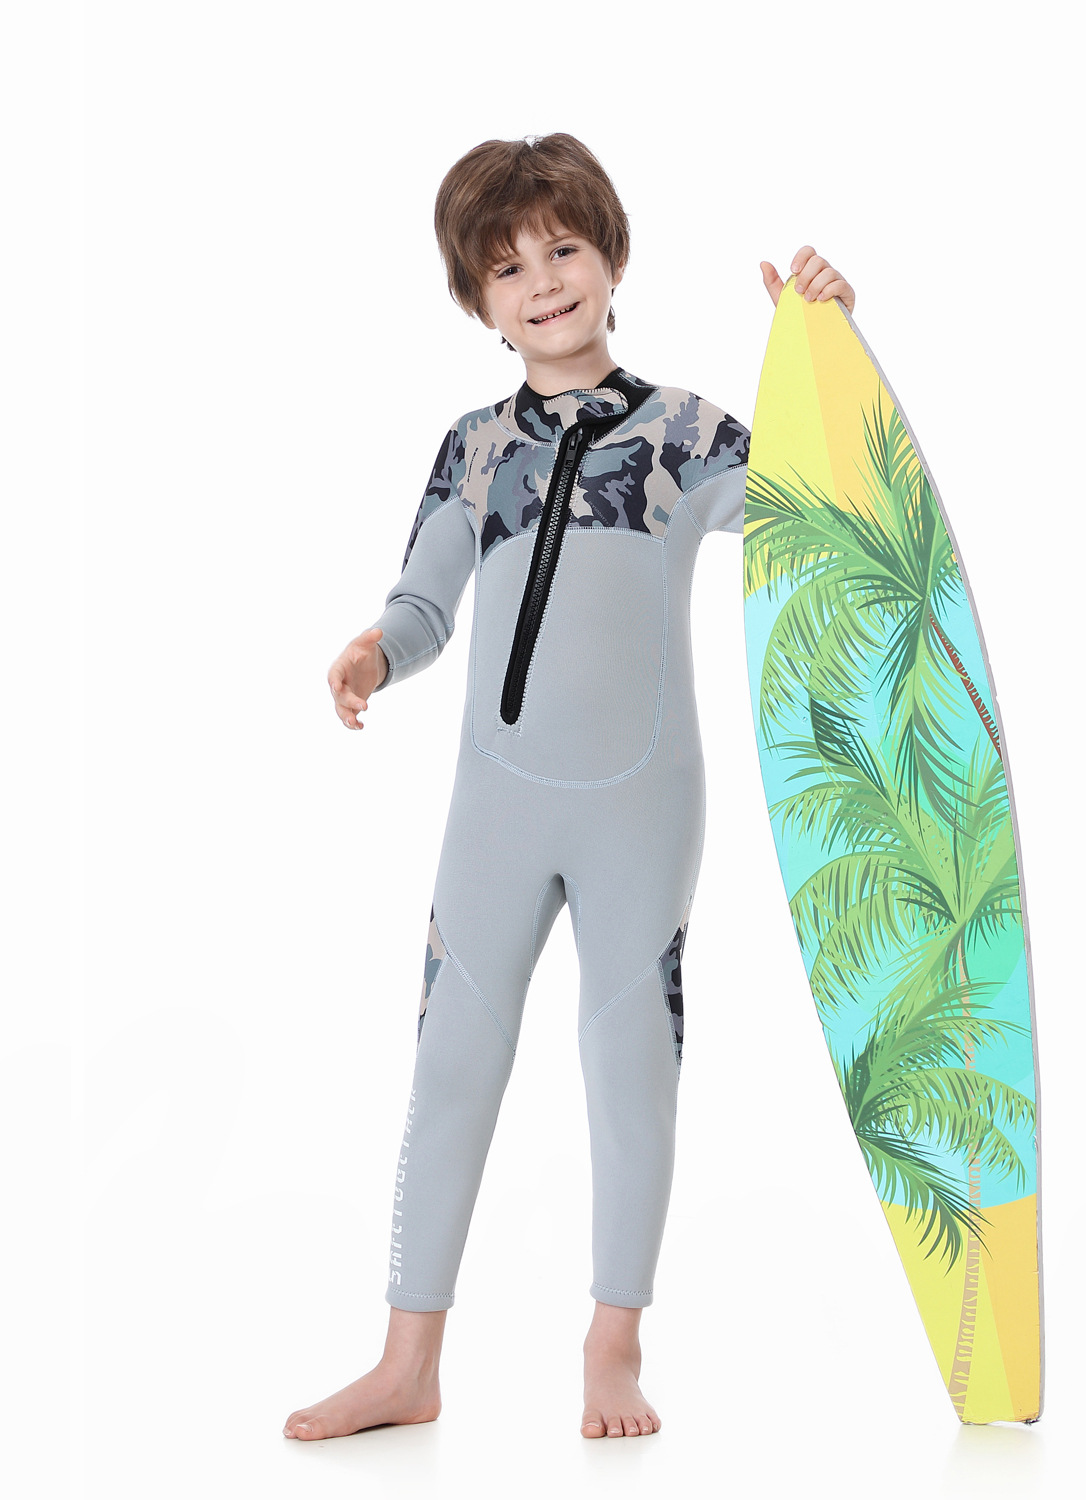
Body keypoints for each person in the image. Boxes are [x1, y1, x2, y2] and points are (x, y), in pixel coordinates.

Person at [283, 132, 855, 1444]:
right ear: (477, 303)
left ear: (611, 258)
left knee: (629, 1061)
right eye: (507, 267)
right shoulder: (474, 448)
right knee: (451, 1059)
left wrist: (825, 346)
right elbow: (426, 601)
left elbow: (823, 500)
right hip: (495, 808)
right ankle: (408, 1360)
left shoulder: (686, 435)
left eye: (563, 248)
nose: (542, 281)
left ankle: (614, 1345)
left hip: (639, 807)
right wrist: (376, 651)